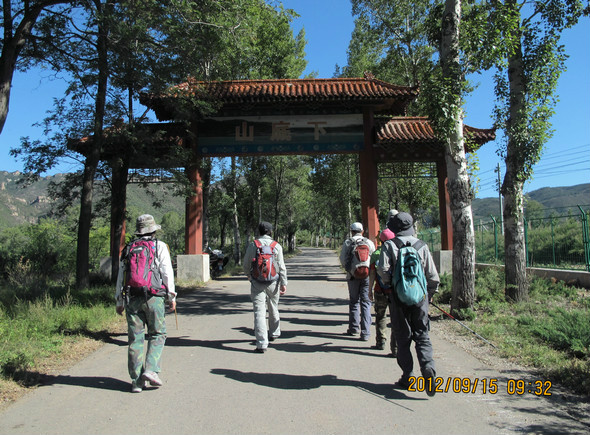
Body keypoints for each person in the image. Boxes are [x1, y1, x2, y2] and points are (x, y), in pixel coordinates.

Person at [377, 212, 439, 396]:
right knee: (422, 335)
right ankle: (428, 369)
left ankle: (408, 376)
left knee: (403, 337)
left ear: (395, 228)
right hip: (420, 298)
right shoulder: (422, 246)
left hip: (398, 297)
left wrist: (390, 285)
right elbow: (432, 275)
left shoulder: (389, 245)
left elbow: (383, 270)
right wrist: (429, 294)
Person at [115, 214, 176, 393]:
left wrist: (119, 300)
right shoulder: (159, 246)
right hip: (153, 297)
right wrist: (171, 297)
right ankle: (150, 370)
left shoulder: (128, 248)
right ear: (154, 230)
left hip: (132, 298)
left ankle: (136, 381)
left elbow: (121, 276)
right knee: (158, 333)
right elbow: (166, 272)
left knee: (135, 338)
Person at [243, 221, 288, 353]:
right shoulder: (276, 246)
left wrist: (249, 276)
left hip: (257, 282)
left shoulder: (253, 245)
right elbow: (282, 267)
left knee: (259, 312)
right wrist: (284, 283)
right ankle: (274, 332)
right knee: (273, 306)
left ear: (260, 231)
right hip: (273, 282)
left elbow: (246, 264)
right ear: (270, 232)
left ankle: (262, 343)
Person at [339, 222, 375, 341]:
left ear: (352, 231)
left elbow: (343, 259)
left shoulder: (348, 242)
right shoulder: (368, 242)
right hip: (366, 276)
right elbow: (373, 257)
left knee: (354, 302)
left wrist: (349, 270)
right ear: (362, 231)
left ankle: (354, 328)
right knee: (366, 302)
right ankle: (366, 333)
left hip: (352, 276)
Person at [369, 228, 397, 356]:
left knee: (380, 316)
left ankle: (381, 341)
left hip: (380, 289)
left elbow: (372, 274)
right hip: (395, 290)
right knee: (396, 317)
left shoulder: (376, 254)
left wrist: (369, 290)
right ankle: (396, 347)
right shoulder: (398, 252)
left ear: (381, 240)